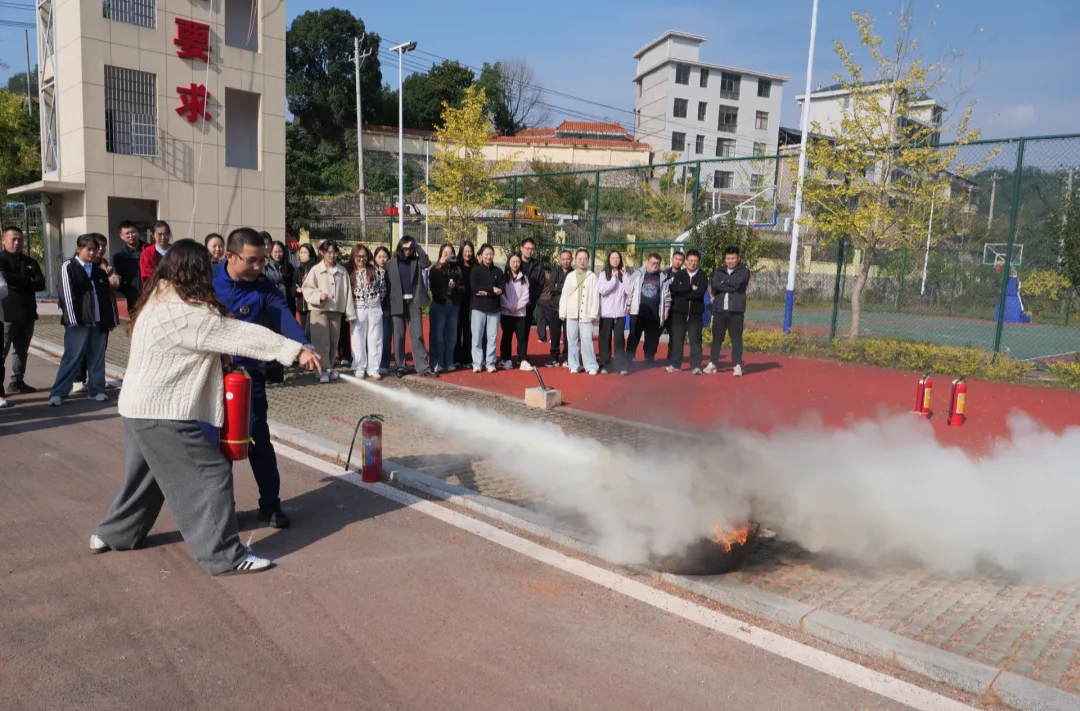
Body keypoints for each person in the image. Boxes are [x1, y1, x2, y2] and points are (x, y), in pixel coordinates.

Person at [90, 239, 322, 576]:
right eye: (204, 266)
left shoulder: (156, 298)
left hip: (135, 407)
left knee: (146, 478)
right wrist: (294, 350)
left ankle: (113, 534)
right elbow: (239, 334)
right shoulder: (192, 315)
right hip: (164, 413)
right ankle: (224, 556)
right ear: (196, 271)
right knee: (211, 474)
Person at [214, 227, 319, 529]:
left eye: (262, 260)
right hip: (210, 376)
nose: (260, 266)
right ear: (230, 256)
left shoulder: (264, 288)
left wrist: (304, 346)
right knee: (214, 445)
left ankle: (270, 505)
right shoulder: (206, 281)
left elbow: (285, 317)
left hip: (249, 379)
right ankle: (223, 510)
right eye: (252, 260)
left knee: (258, 438)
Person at [47, 234, 118, 406]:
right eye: (89, 249)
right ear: (78, 249)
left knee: (97, 357)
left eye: (95, 249)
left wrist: (111, 320)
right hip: (79, 322)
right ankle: (59, 393)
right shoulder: (68, 267)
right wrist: (72, 319)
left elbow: (107, 298)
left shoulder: (99, 271)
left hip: (99, 322)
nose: (93, 253)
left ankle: (96, 390)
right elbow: (67, 295)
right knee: (72, 357)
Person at [1, 226, 46, 406]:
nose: (17, 242)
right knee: (1, 352)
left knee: (21, 350)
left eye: (20, 239)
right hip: (6, 315)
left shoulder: (30, 262)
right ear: (3, 240)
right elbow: (6, 280)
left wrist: (19, 281)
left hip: (27, 313)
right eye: (13, 239)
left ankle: (17, 381)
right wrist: (27, 281)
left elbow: (41, 283)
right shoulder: (1, 259)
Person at [72, 235, 121, 395]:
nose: (99, 250)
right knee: (82, 349)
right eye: (95, 247)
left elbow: (115, 285)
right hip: (85, 316)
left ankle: (97, 381)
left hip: (104, 314)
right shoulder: (76, 266)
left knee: (100, 350)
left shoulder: (106, 266)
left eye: (102, 246)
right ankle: (78, 380)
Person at [302, 239, 355, 384]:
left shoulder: (342, 271)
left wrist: (349, 312)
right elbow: (307, 289)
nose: (332, 256)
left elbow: (348, 292)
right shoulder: (315, 270)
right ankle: (321, 371)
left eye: (334, 252)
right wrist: (319, 296)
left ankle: (329, 367)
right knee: (321, 342)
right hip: (319, 310)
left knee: (333, 342)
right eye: (329, 253)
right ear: (322, 253)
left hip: (336, 310)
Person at [386, 236, 433, 378]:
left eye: (410, 249)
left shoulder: (416, 261)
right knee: (399, 336)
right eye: (405, 249)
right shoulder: (391, 263)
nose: (408, 251)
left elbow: (427, 263)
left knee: (417, 335)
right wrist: (387, 306)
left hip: (414, 302)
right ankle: (401, 365)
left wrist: (417, 246)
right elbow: (387, 286)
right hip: (397, 303)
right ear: (400, 248)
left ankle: (423, 367)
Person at [706, 245, 751, 377]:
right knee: (717, 338)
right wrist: (730, 286)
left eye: (733, 258)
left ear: (738, 258)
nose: (730, 261)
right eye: (728, 258)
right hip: (719, 310)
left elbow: (738, 283)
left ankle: (737, 365)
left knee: (736, 338)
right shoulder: (719, 271)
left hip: (735, 311)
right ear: (725, 259)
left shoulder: (744, 271)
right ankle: (712, 363)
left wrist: (724, 284)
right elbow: (715, 284)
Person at [559, 248, 600, 376]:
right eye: (580, 259)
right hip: (571, 313)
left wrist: (594, 313)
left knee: (587, 339)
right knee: (572, 340)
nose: (582, 261)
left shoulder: (592, 276)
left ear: (588, 260)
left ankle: (591, 365)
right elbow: (564, 295)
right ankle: (574, 364)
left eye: (585, 259)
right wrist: (562, 311)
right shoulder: (570, 276)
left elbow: (595, 296)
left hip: (586, 314)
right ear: (575, 260)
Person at [666, 249, 708, 374]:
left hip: (695, 315)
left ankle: (696, 365)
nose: (693, 263)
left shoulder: (702, 275)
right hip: (679, 314)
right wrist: (690, 288)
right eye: (691, 261)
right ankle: (675, 364)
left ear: (698, 262)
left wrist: (683, 292)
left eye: (695, 261)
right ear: (686, 261)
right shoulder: (680, 274)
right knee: (677, 340)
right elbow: (674, 289)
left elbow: (699, 294)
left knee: (695, 341)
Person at [348, 244, 385, 380]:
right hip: (357, 309)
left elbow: (383, 288)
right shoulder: (350, 273)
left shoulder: (374, 271)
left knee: (375, 338)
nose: (361, 259)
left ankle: (373, 368)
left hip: (374, 308)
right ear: (353, 257)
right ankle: (359, 367)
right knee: (358, 339)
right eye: (358, 256)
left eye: (363, 256)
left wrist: (375, 300)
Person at [627, 253, 671, 368]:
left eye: (657, 263)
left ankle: (649, 357)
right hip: (638, 312)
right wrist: (628, 304)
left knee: (652, 337)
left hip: (654, 313)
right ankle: (629, 357)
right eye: (653, 263)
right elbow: (630, 290)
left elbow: (667, 295)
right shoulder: (638, 274)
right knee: (634, 335)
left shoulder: (663, 277)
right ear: (647, 262)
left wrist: (666, 309)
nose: (655, 265)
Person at [596, 250, 633, 375]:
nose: (615, 260)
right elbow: (602, 290)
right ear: (609, 259)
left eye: (617, 258)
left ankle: (621, 365)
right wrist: (613, 279)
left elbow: (629, 291)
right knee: (605, 339)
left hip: (620, 314)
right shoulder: (603, 274)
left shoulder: (625, 274)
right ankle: (605, 364)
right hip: (606, 314)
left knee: (619, 339)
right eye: (613, 257)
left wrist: (625, 276)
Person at [428, 243, 464, 373]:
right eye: (445, 252)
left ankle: (449, 362)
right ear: (441, 254)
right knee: (438, 335)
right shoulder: (436, 268)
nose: (448, 255)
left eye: (450, 253)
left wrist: (455, 288)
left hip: (453, 304)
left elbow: (462, 288)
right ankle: (437, 362)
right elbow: (432, 283)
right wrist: (440, 264)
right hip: (439, 303)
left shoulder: (457, 269)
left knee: (452, 336)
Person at [469, 243, 504, 373]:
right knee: (477, 336)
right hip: (478, 308)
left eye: (491, 254)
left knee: (492, 337)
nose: (489, 256)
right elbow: (475, 288)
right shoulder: (476, 270)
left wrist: (488, 292)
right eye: (486, 254)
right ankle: (477, 363)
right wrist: (491, 288)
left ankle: (490, 363)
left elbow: (502, 290)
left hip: (494, 309)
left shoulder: (498, 271)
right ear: (481, 255)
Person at [537, 249, 571, 367]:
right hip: (554, 307)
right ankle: (553, 357)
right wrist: (566, 286)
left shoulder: (574, 273)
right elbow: (552, 288)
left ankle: (567, 356)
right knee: (554, 334)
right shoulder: (555, 271)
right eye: (563, 259)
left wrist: (559, 286)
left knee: (568, 335)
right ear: (560, 260)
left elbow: (572, 289)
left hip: (569, 308)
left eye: (568, 259)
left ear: (571, 260)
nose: (565, 261)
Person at [500, 252, 533, 371]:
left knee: (522, 337)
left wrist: (517, 307)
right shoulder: (504, 277)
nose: (515, 264)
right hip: (506, 313)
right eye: (513, 262)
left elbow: (526, 295)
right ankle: (507, 359)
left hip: (520, 314)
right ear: (509, 262)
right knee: (507, 337)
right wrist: (509, 306)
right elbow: (502, 294)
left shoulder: (524, 278)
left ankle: (523, 360)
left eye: (518, 262)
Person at [113, 220, 145, 312]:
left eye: (133, 232)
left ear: (138, 233)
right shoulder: (119, 257)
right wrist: (128, 292)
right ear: (121, 236)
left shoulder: (149, 250)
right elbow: (119, 277)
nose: (131, 235)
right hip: (133, 298)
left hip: (151, 294)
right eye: (127, 233)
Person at [454, 241, 477, 368]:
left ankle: (467, 358)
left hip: (471, 302)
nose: (468, 254)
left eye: (470, 251)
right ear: (461, 252)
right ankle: (457, 357)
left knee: (469, 331)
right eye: (465, 251)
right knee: (457, 330)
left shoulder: (475, 266)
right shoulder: (457, 265)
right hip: (459, 301)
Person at [373, 246, 395, 373]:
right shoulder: (371, 272)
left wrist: (387, 307)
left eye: (385, 256)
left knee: (386, 337)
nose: (382, 259)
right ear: (375, 258)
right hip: (373, 308)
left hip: (387, 309)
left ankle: (384, 364)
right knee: (374, 337)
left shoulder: (391, 272)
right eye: (379, 256)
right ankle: (373, 362)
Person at [519, 237, 544, 343]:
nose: (529, 251)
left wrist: (531, 300)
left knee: (525, 332)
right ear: (521, 248)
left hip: (529, 304)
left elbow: (540, 284)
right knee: (509, 332)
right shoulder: (514, 261)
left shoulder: (538, 265)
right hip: (513, 304)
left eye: (532, 249)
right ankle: (505, 356)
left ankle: (523, 357)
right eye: (527, 248)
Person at [294, 243, 317, 337]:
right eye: (301, 252)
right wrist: (296, 289)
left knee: (310, 332)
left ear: (310, 254)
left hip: (312, 305)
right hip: (301, 305)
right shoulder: (298, 269)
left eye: (305, 252)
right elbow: (293, 286)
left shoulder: (315, 268)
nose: (302, 255)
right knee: (303, 331)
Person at [138, 220, 171, 284]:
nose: (163, 237)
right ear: (153, 235)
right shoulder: (147, 253)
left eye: (166, 234)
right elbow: (147, 276)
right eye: (160, 234)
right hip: (155, 289)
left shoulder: (175, 251)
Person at [270, 240, 296, 313]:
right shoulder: (267, 267)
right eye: (275, 252)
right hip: (273, 302)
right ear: (270, 252)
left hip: (288, 303)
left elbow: (293, 284)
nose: (278, 254)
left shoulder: (289, 267)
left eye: (280, 251)